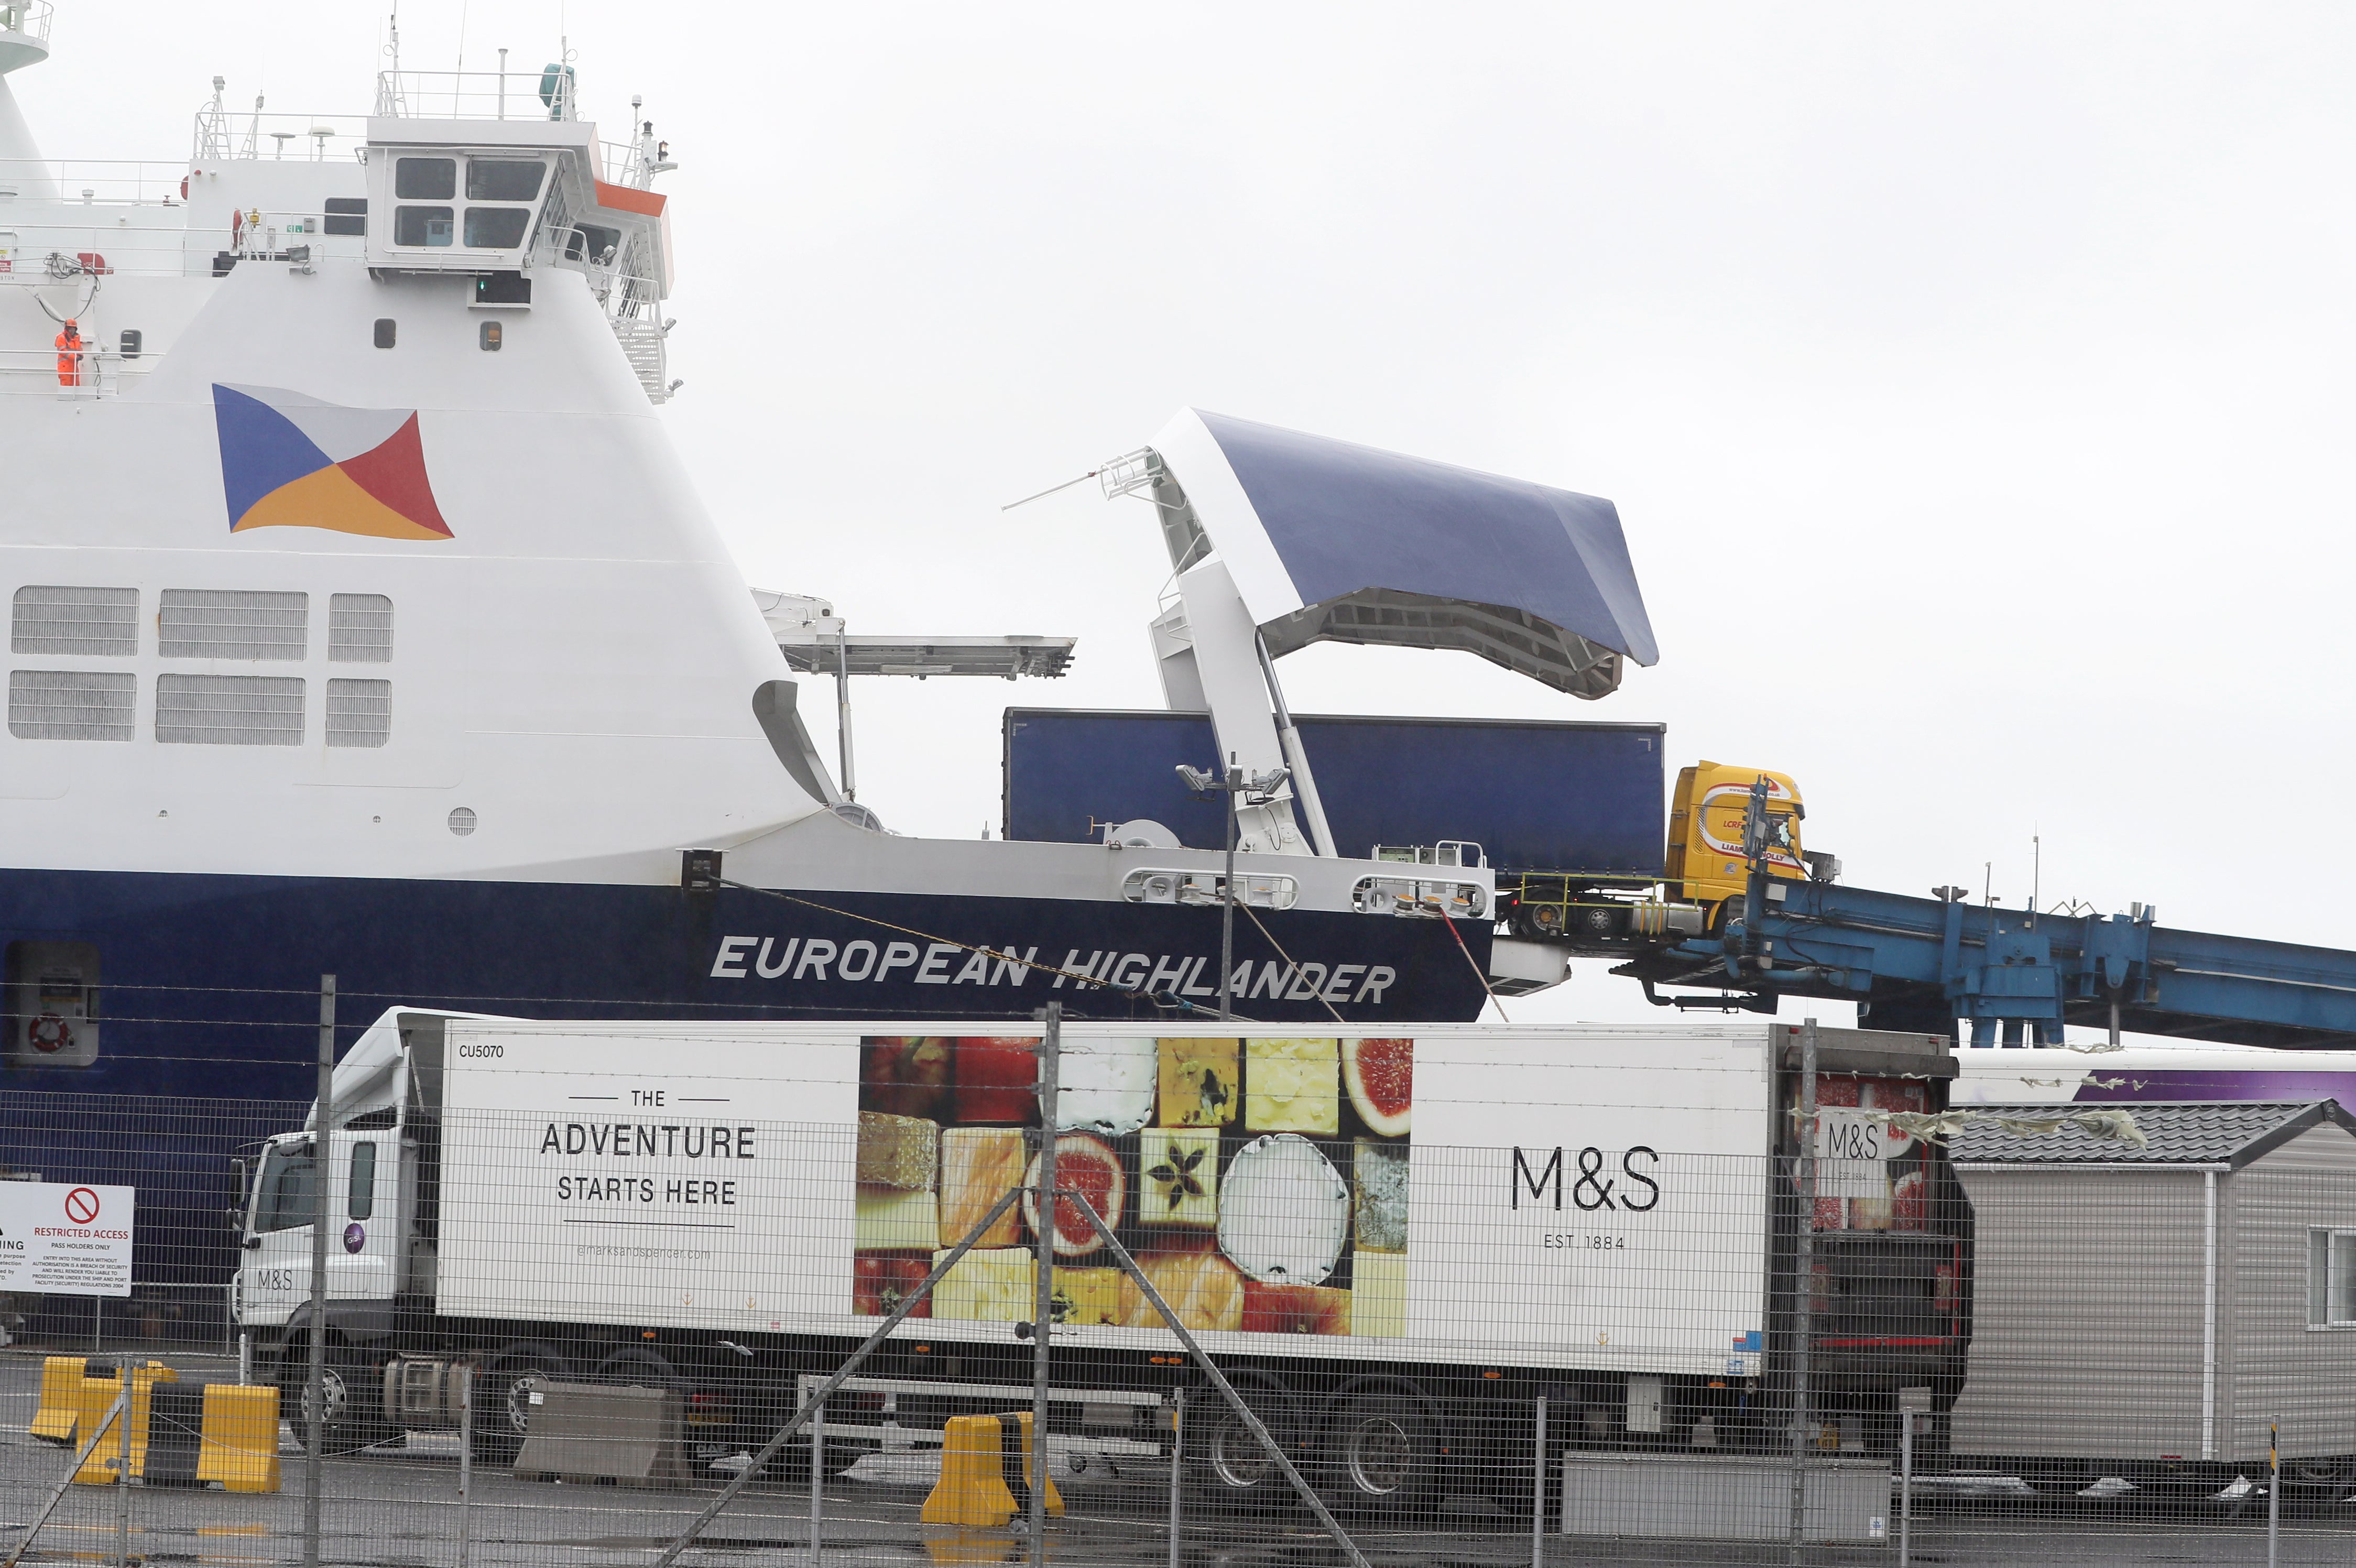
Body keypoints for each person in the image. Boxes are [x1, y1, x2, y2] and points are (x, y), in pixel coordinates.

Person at [54, 319, 82, 388]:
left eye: (73, 328)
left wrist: (81, 356)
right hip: (65, 367)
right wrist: (75, 358)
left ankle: (75, 399)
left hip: (74, 366)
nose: (72, 330)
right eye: (70, 328)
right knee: (66, 386)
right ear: (67, 328)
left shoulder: (76, 339)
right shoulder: (61, 338)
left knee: (76, 386)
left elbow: (80, 349)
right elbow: (63, 351)